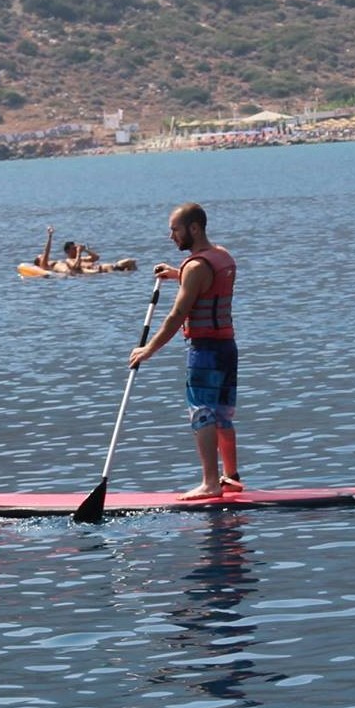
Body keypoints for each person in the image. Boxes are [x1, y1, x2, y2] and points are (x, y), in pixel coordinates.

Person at [129, 202, 242, 500]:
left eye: (175, 230)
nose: (171, 237)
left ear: (194, 228)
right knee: (223, 415)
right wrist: (175, 273)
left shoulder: (195, 267)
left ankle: (209, 483)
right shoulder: (223, 256)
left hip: (204, 350)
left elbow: (177, 315)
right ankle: (231, 477)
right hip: (227, 348)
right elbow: (205, 282)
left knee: (202, 413)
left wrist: (148, 349)